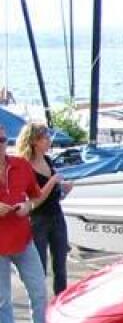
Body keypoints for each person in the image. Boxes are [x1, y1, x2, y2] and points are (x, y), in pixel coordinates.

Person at [0, 136, 55, 323]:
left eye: (2, 139)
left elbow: (35, 197)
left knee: (38, 290)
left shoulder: (20, 165)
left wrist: (27, 206)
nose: (0, 143)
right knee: (2, 299)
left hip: (23, 240)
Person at [16, 122, 72, 295]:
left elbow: (52, 195)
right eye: (45, 138)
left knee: (60, 266)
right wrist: (53, 181)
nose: (49, 141)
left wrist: (63, 190)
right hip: (38, 220)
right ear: (34, 141)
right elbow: (35, 199)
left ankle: (60, 300)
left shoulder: (47, 160)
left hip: (56, 215)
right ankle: (40, 304)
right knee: (39, 268)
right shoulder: (26, 165)